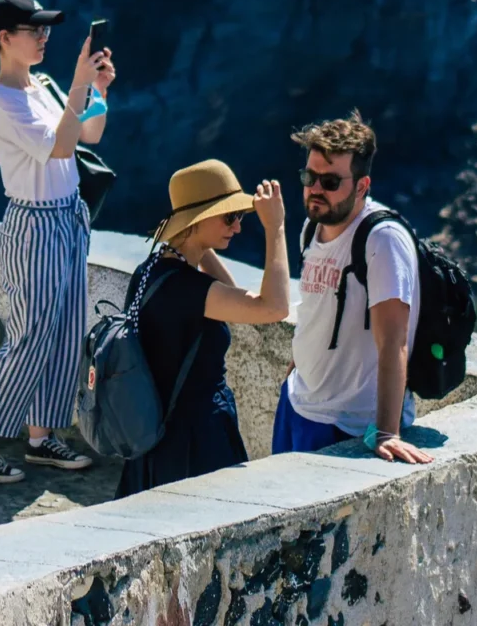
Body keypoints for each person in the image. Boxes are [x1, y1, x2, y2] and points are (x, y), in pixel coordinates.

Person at [0, 0, 116, 483]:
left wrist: (97, 90)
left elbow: (90, 136)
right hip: (35, 223)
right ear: (5, 39)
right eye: (34, 30)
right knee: (28, 336)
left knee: (64, 334)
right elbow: (61, 145)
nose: (44, 37)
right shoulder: (1, 101)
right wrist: (80, 84)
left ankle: (42, 437)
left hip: (67, 217)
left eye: (45, 30)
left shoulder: (41, 86)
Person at [116, 160, 290, 499]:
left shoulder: (150, 270)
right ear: (196, 221)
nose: (237, 228)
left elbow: (229, 291)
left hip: (156, 437)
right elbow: (274, 308)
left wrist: (200, 246)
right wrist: (276, 230)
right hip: (196, 442)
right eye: (229, 217)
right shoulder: (190, 291)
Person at [273, 110, 434, 465]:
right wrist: (291, 381)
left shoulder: (382, 240)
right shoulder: (311, 227)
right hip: (299, 405)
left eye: (330, 182)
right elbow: (314, 315)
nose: (316, 189)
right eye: (309, 177)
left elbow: (394, 341)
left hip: (347, 423)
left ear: (361, 186)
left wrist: (387, 433)